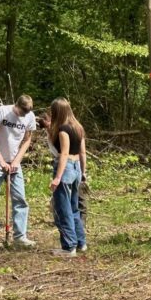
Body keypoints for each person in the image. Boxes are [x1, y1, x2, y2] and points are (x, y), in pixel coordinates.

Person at [0, 94, 37, 247]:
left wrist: (17, 160)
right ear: (16, 105)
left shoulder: (30, 116)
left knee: (20, 198)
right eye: (21, 112)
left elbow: (27, 139)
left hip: (14, 162)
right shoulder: (3, 112)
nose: (22, 116)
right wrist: (1, 161)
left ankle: (20, 236)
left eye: (26, 113)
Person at [44, 100, 88, 256]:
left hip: (66, 168)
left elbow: (64, 153)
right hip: (76, 169)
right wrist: (83, 172)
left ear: (57, 112)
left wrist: (57, 177)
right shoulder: (78, 128)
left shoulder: (63, 130)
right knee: (74, 208)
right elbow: (82, 153)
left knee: (63, 209)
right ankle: (81, 243)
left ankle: (69, 247)